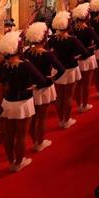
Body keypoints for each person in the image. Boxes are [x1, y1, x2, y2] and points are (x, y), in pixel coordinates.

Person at [0, 30, 48, 172]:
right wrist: (32, 87)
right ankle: (19, 162)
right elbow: (42, 81)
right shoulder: (25, 64)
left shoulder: (4, 64)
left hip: (8, 102)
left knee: (9, 135)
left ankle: (11, 162)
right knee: (21, 135)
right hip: (24, 102)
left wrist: (6, 83)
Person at [23, 22, 64, 152]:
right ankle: (39, 143)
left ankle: (35, 141)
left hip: (32, 88)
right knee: (41, 118)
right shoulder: (47, 54)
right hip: (45, 88)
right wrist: (53, 78)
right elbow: (61, 69)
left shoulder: (27, 53)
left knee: (33, 118)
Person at [49, 10, 85, 129]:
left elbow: (47, 53)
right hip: (70, 69)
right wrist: (77, 57)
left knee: (59, 97)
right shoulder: (72, 39)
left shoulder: (52, 39)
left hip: (57, 69)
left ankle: (61, 120)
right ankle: (67, 120)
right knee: (68, 96)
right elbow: (84, 52)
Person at [70, 2, 99, 113]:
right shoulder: (89, 29)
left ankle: (79, 105)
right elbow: (98, 41)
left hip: (77, 58)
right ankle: (85, 104)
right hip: (88, 57)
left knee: (78, 84)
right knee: (86, 83)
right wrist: (92, 46)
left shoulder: (73, 29)